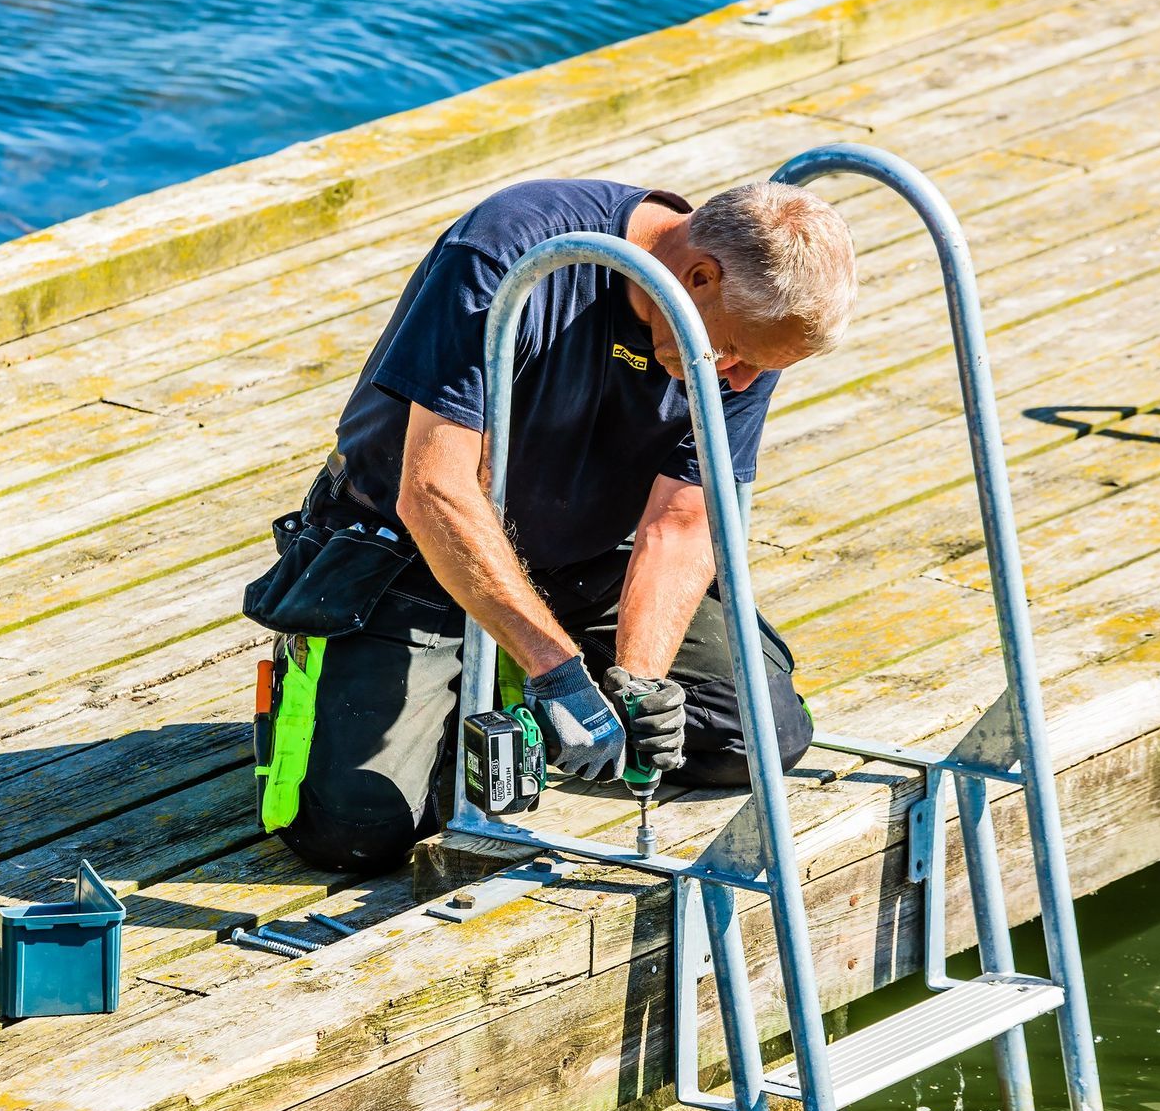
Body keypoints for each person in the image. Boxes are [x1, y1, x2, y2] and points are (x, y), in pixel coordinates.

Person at [243, 176, 858, 875]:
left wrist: (638, 680)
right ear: (700, 275)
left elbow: (683, 518)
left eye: (761, 369)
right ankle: (448, 662)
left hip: (587, 553)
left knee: (761, 732)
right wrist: (559, 674)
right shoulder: (512, 251)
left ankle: (524, 662)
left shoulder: (746, 323)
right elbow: (432, 488)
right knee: (354, 828)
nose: (741, 383)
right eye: (739, 356)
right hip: (415, 549)